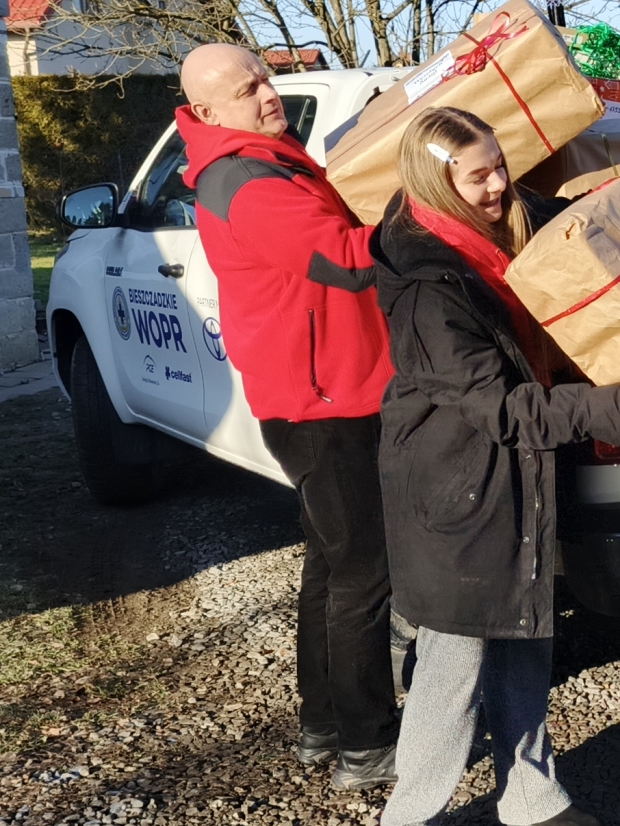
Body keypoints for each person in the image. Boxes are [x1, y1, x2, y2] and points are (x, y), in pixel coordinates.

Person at [367, 107, 620, 826]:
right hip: (456, 482)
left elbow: (566, 222)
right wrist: (618, 408)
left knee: (526, 628)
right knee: (457, 654)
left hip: (513, 472)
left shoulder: (493, 225)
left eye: (500, 164)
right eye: (479, 176)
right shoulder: (428, 287)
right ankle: (407, 820)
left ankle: (530, 792)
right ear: (439, 184)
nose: (500, 185)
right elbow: (501, 407)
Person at [177, 44, 400, 787]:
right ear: (208, 110)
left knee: (332, 564)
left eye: (265, 79)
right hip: (324, 401)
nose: (269, 94)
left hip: (318, 391)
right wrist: (434, 220)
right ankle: (369, 742)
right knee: (363, 570)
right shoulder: (246, 179)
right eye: (248, 89)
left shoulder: (260, 162)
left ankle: (323, 723)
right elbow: (346, 259)